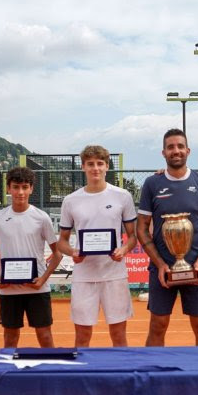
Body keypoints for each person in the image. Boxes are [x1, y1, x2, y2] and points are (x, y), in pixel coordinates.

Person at [137, 129, 198, 346]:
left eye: (180, 146)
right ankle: (152, 377)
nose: (176, 151)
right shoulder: (152, 184)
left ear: (188, 151)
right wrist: (160, 264)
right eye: (171, 147)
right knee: (158, 325)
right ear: (163, 152)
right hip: (162, 269)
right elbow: (142, 229)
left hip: (195, 268)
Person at [57, 145, 138, 347]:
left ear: (107, 166)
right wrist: (73, 252)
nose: (95, 168)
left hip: (114, 274)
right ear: (83, 167)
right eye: (90, 164)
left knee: (118, 334)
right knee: (83, 335)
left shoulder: (122, 196)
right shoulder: (70, 200)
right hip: (84, 276)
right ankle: (81, 376)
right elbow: (62, 241)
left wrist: (123, 250)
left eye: (100, 163)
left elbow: (133, 236)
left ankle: (121, 376)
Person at [0, 167, 63, 348]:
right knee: (10, 337)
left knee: (45, 336)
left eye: (24, 187)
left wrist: (42, 279)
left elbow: (58, 254)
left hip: (37, 288)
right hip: (9, 290)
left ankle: (49, 375)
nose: (20, 192)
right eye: (15, 187)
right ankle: (10, 374)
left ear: (31, 189)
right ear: (8, 188)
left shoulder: (41, 217)